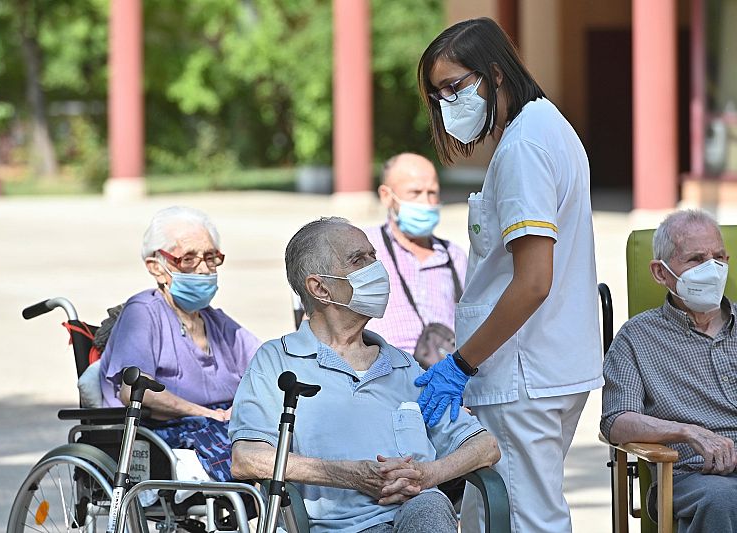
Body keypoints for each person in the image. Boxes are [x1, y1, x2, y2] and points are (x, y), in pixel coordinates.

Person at [414, 17, 603, 532]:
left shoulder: (524, 147)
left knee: (525, 519)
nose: (447, 102)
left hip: (522, 376)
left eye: (455, 86)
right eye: (438, 94)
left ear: (495, 75)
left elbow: (533, 280)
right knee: (491, 515)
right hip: (540, 369)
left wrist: (462, 364)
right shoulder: (546, 126)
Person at [228, 217, 500, 533]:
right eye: (359, 260)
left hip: (418, 518)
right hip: (333, 527)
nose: (376, 269)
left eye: (374, 256)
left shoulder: (403, 365)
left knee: (428, 504)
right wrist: (349, 475)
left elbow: (485, 446)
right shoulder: (277, 360)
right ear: (320, 288)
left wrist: (429, 474)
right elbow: (246, 457)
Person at [98, 206, 261, 482]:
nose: (203, 269)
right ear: (156, 268)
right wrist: (209, 414)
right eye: (188, 259)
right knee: (255, 458)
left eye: (211, 258)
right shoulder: (143, 312)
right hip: (166, 432)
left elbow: (267, 364)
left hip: (223, 427)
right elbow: (134, 390)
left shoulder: (217, 322)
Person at [601, 210, 737, 532]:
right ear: (660, 273)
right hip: (689, 476)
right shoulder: (637, 337)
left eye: (719, 258)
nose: (712, 269)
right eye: (696, 259)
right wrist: (687, 431)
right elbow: (615, 420)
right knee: (723, 499)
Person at [365, 153, 467, 369]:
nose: (426, 202)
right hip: (378, 377)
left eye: (432, 193)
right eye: (415, 193)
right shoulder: (365, 248)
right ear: (386, 195)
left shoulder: (453, 256)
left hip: (440, 375)